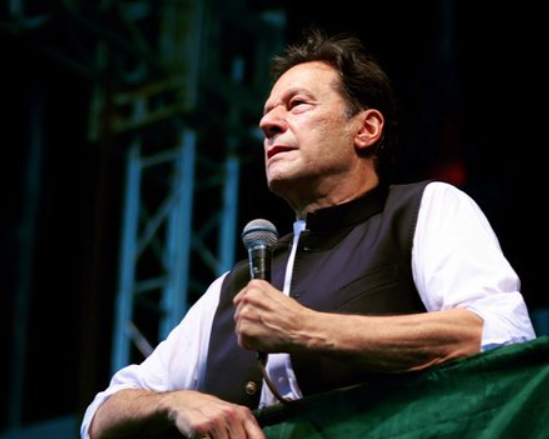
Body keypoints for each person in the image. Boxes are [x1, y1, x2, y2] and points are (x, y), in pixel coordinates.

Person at [81, 28, 535, 439]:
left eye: (297, 104)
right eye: (267, 113)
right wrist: (176, 402)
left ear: (366, 129)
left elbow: (503, 334)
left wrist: (309, 329)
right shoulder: (231, 287)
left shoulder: (423, 209)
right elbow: (100, 416)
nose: (268, 124)